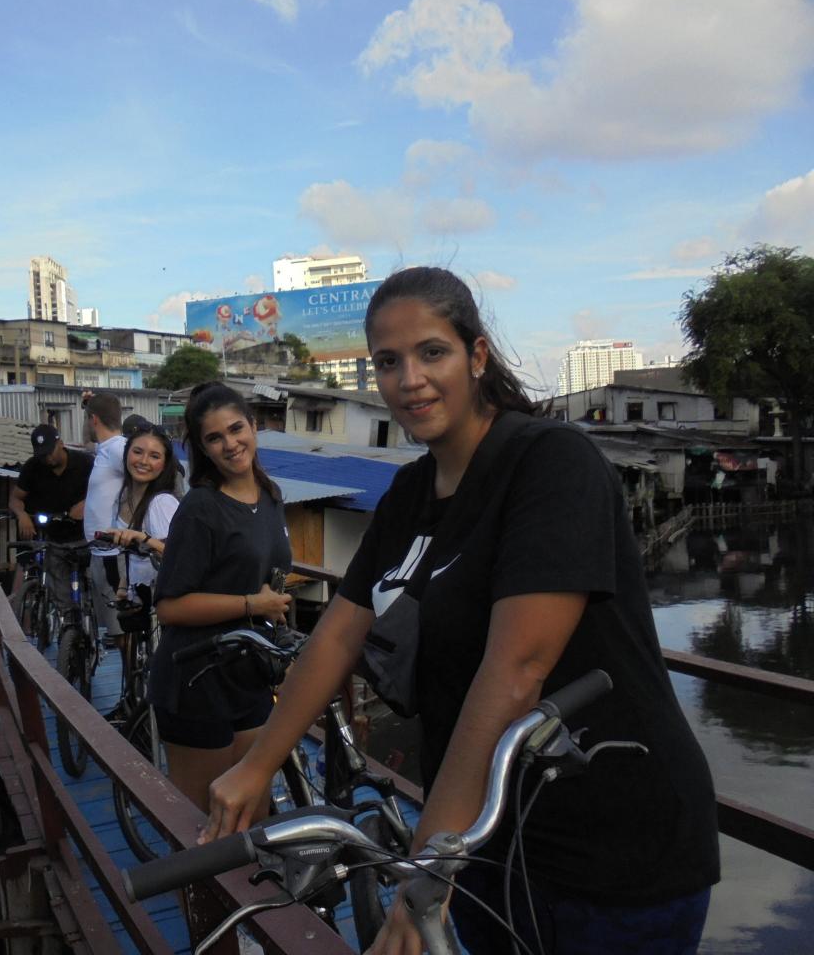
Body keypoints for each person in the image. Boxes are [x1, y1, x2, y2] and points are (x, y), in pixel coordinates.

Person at [202, 267, 720, 954]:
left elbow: (517, 669)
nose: (409, 379)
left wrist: (427, 866)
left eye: (432, 352)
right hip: (487, 846)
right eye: (388, 362)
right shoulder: (411, 493)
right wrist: (258, 764)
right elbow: (336, 634)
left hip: (614, 844)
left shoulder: (548, 463)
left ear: (476, 356)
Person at [150, 382, 293, 817]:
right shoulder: (200, 508)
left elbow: (273, 583)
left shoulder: (270, 497)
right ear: (202, 449)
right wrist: (253, 605)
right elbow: (169, 607)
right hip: (196, 678)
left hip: (247, 673)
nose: (231, 444)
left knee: (252, 815)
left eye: (236, 429)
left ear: (254, 425)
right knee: (204, 829)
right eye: (215, 437)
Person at [10, 423, 93, 617]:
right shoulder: (32, 467)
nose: (46, 458)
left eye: (49, 452)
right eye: (41, 454)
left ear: (61, 444)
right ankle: (66, 626)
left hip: (84, 538)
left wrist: (88, 503)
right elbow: (16, 498)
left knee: (92, 586)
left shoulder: (85, 463)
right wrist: (22, 515)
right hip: (54, 538)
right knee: (60, 595)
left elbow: (109, 491)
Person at [105, 421, 182, 599]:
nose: (143, 461)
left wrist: (141, 537)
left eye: (154, 456)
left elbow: (180, 555)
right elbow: (132, 555)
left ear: (164, 464)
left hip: (163, 602)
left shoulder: (161, 503)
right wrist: (123, 588)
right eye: (137, 452)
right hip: (138, 598)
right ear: (126, 454)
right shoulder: (123, 496)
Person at [82, 391, 126, 643]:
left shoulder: (119, 449)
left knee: (122, 632)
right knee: (113, 631)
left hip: (114, 555)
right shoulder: (106, 448)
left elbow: (142, 479)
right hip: (101, 552)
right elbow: (87, 444)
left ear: (94, 420)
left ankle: (135, 682)